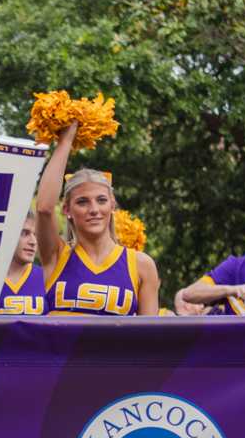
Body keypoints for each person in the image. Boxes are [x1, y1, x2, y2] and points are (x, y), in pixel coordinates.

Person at [31, 125, 161, 316]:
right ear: (67, 210)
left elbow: (149, 338)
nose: (94, 210)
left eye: (101, 200)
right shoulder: (57, 255)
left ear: (112, 205)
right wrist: (65, 141)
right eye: (82, 202)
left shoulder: (142, 265)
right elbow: (43, 209)